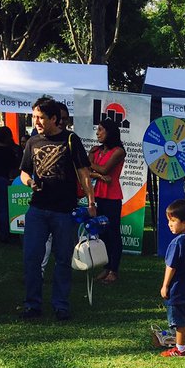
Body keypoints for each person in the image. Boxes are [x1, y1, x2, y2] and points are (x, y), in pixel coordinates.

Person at [19, 96, 95, 321]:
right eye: (34, 117)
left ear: (54, 119)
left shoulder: (70, 139)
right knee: (31, 257)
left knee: (63, 259)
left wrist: (91, 202)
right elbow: (24, 171)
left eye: (41, 118)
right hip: (37, 209)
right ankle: (32, 305)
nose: (36, 122)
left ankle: (61, 305)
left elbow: (83, 173)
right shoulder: (33, 142)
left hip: (63, 210)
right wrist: (29, 182)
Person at [159, 199, 185, 357]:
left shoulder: (177, 243)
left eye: (173, 221)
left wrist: (165, 285)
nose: (170, 224)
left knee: (179, 322)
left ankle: (180, 348)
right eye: (169, 221)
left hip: (176, 288)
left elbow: (171, 266)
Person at [88, 118, 126, 284]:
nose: (97, 133)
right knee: (102, 233)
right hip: (98, 195)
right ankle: (106, 266)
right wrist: (99, 175)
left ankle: (114, 270)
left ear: (109, 132)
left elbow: (104, 169)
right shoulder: (96, 150)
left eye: (101, 130)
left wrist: (92, 166)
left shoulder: (118, 151)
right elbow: (88, 170)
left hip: (112, 197)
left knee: (113, 233)